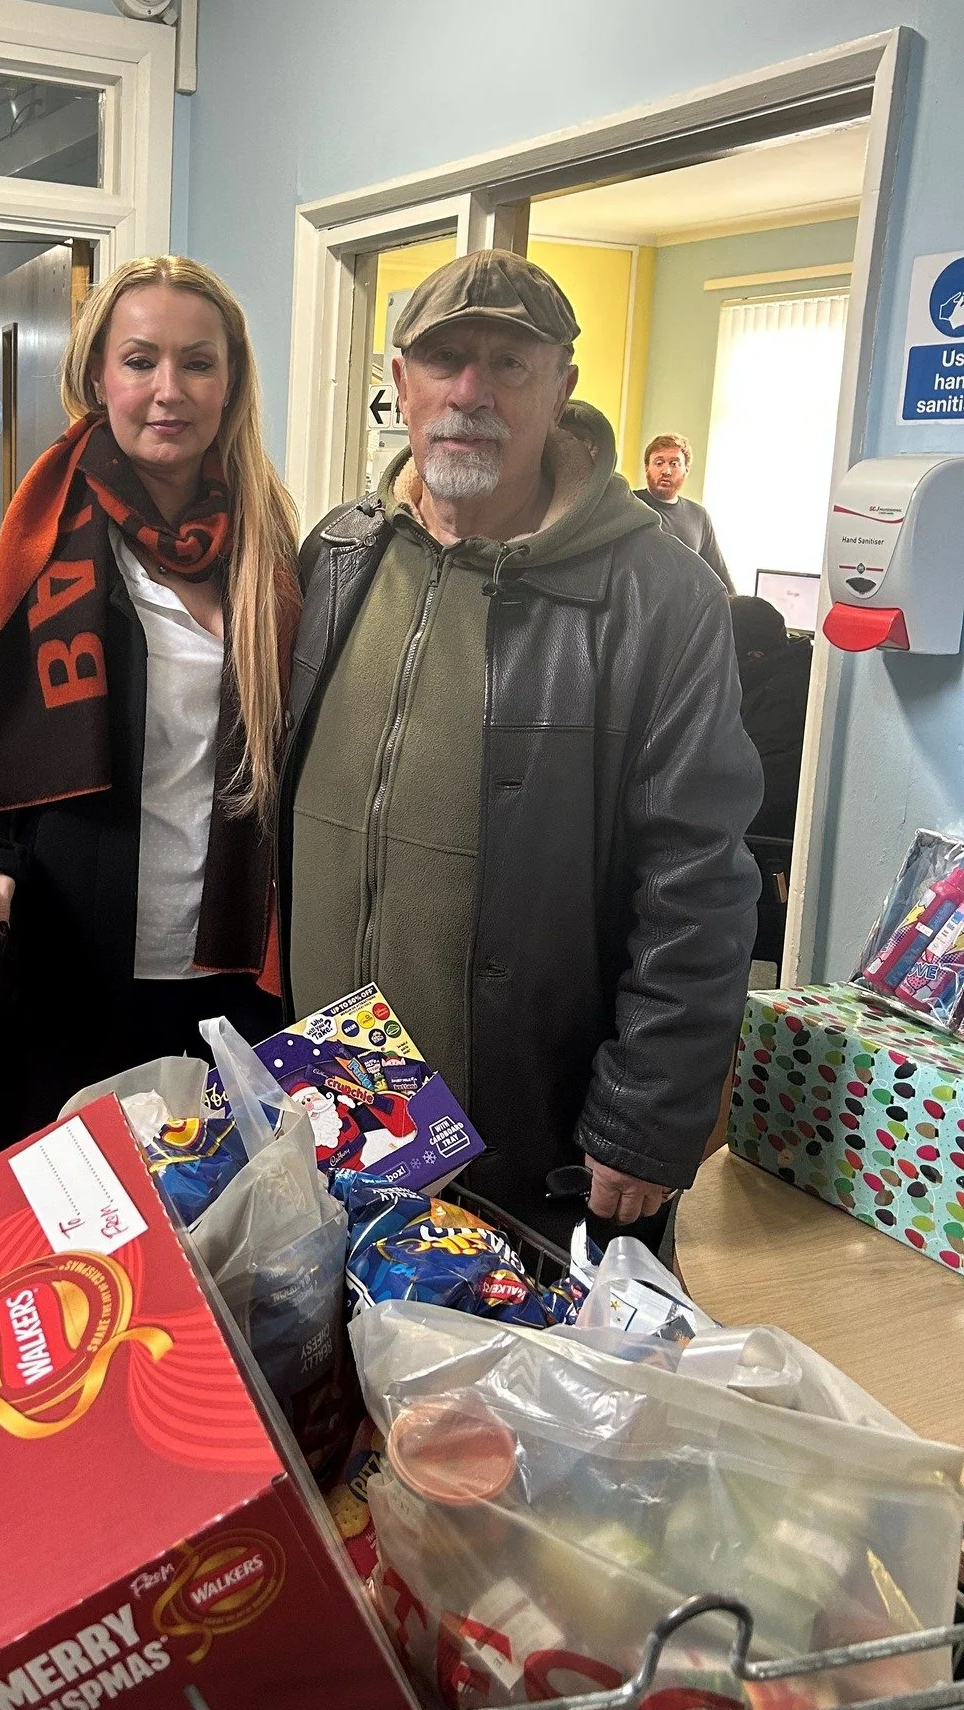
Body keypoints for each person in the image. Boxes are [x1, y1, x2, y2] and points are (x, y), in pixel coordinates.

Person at [280, 249, 761, 1241]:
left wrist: (645, 1111)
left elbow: (700, 876)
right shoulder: (340, 549)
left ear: (562, 389)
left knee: (508, 1380)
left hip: (533, 1118)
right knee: (359, 1365)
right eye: (445, 358)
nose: (471, 390)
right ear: (401, 381)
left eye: (509, 363)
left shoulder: (657, 597)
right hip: (345, 1081)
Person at [0, 255, 300, 1151]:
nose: (167, 390)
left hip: (237, 974)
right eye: (140, 361)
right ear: (98, 375)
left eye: (197, 363)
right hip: (76, 965)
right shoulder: (28, 563)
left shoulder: (287, 562)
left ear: (231, 382)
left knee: (229, 1239)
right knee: (72, 1235)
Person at [730, 594, 814, 965]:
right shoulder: (781, 672)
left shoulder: (784, 704)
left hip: (765, 863)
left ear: (754, 658)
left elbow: (753, 797)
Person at [635, 433, 734, 591]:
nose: (666, 471)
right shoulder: (630, 505)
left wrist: (734, 609)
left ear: (686, 469)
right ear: (647, 467)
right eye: (659, 463)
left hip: (684, 611)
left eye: (674, 464)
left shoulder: (699, 516)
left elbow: (720, 577)